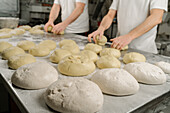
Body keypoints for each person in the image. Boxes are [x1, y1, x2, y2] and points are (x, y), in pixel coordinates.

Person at [88, 0, 168, 54]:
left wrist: (130, 36)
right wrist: (101, 28)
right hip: (119, 47)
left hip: (143, 50)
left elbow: (156, 18)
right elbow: (110, 15)